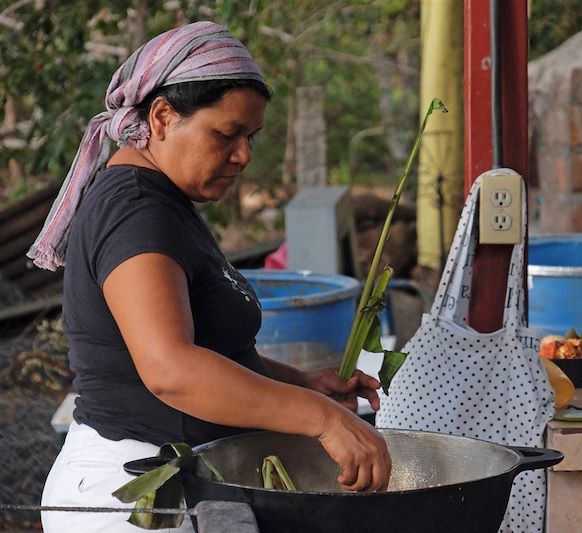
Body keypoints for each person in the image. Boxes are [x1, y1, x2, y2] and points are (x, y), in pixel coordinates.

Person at [33, 21, 391, 533]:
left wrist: (305, 385)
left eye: (250, 137)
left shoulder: (164, 202)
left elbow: (209, 350)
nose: (243, 155)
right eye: (225, 135)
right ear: (161, 117)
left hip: (173, 482)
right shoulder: (136, 209)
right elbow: (171, 368)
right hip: (132, 497)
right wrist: (324, 418)